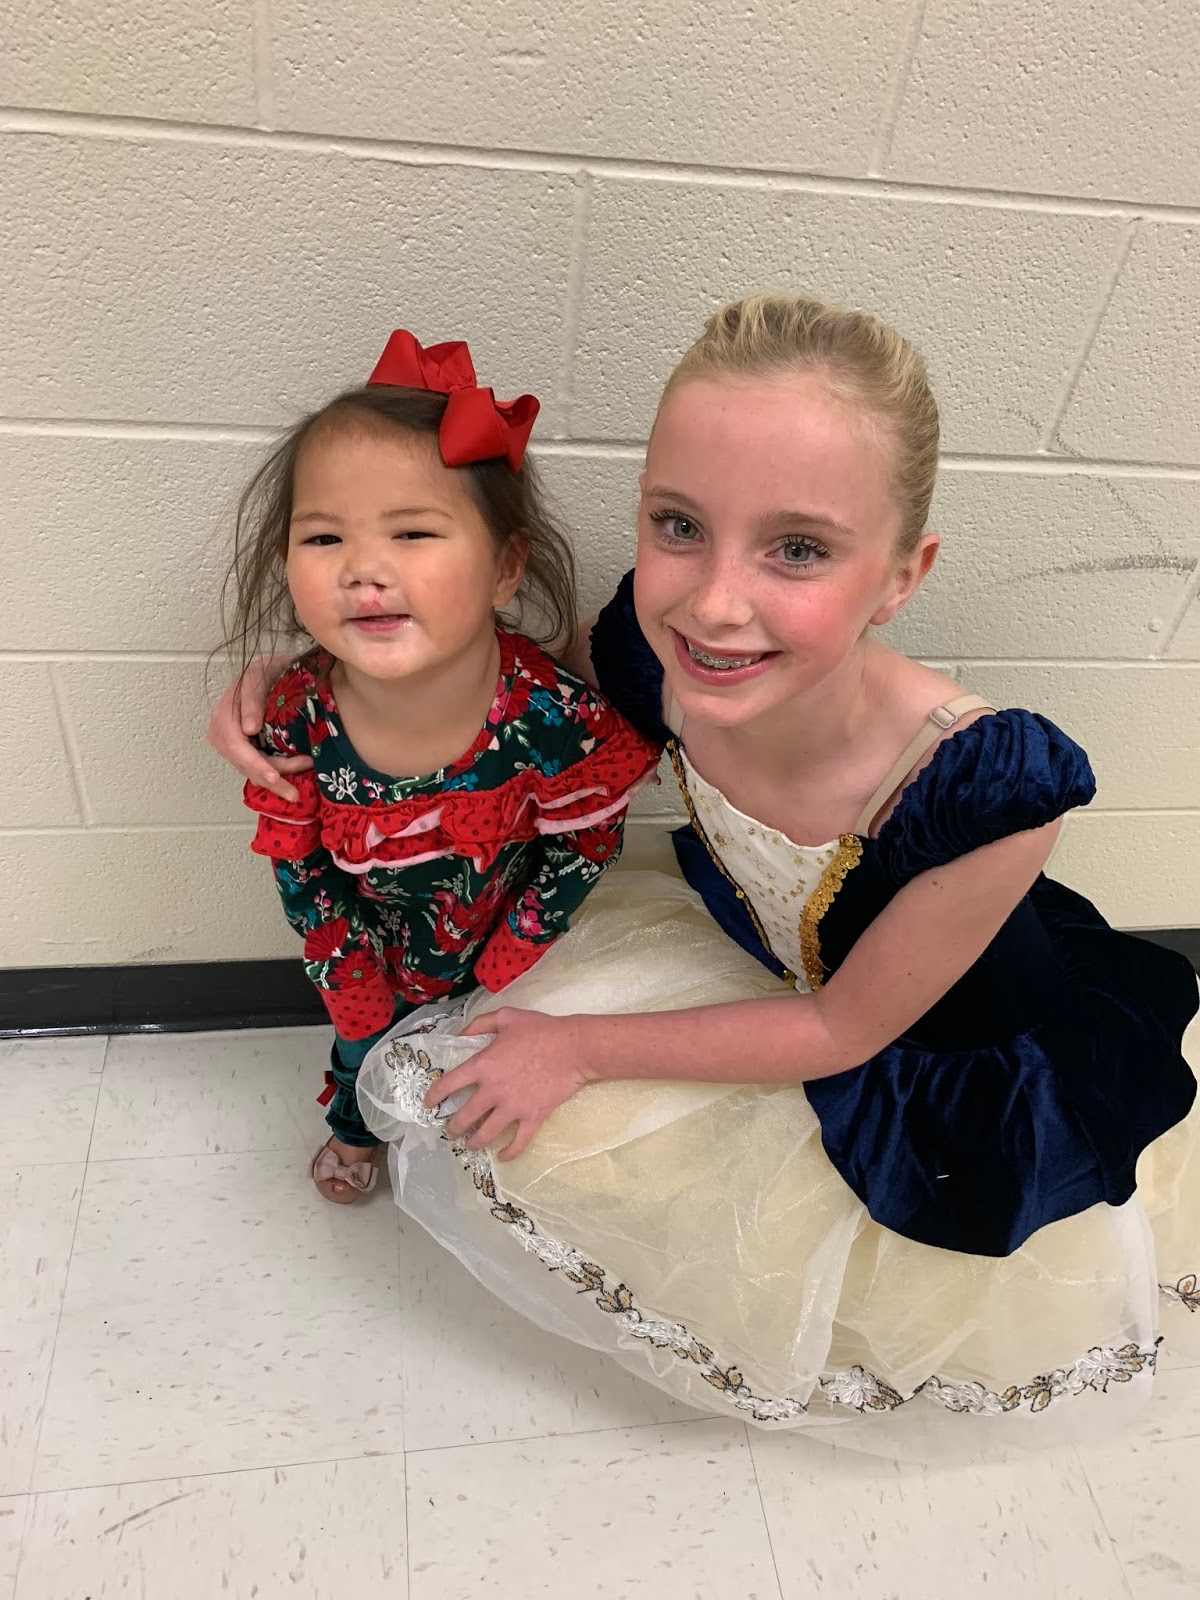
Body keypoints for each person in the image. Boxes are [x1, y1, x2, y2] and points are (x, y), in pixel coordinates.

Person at [211, 294, 1199, 1452]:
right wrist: (296, 687)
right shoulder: (648, 649)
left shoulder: (984, 790)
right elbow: (481, 668)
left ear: (901, 575)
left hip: (930, 1062)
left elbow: (839, 1031)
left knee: (828, 1232)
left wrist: (579, 1047)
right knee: (504, 1078)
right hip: (761, 962)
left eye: (798, 549)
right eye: (679, 525)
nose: (715, 603)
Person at [220, 329, 659, 1203]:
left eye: (414, 531)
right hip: (363, 952)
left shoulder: (551, 719)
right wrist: (348, 973)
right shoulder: (297, 710)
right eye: (323, 538)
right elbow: (298, 863)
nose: (364, 569)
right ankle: (358, 1127)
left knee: (482, 1068)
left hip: (511, 949)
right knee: (362, 1052)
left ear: (505, 567)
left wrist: (506, 961)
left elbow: (582, 850)